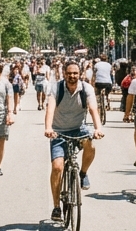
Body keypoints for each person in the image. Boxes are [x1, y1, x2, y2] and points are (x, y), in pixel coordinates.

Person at [44, 60, 104, 220]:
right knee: (57, 167)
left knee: (90, 144)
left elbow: (93, 109)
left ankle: (83, 173)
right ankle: (56, 207)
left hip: (79, 128)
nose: (72, 76)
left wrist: (98, 128)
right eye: (69, 73)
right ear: (64, 74)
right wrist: (48, 128)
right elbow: (50, 109)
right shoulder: (57, 88)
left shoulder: (86, 88)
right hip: (58, 132)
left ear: (80, 74)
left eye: (75, 73)